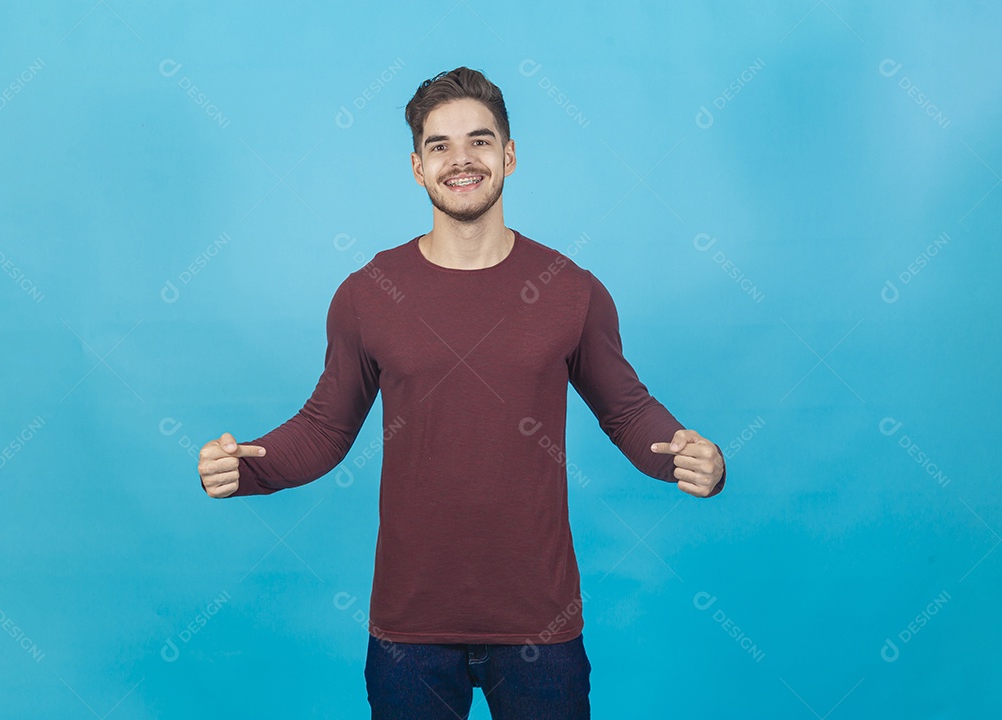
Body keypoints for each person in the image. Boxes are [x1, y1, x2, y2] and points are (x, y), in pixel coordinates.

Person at [198, 66, 727, 719]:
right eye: (440, 145)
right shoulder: (367, 294)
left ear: (509, 154)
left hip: (540, 625)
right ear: (417, 167)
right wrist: (247, 466)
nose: (461, 159)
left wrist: (687, 456)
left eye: (479, 141)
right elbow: (324, 428)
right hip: (410, 632)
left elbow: (626, 409)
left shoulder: (571, 289)